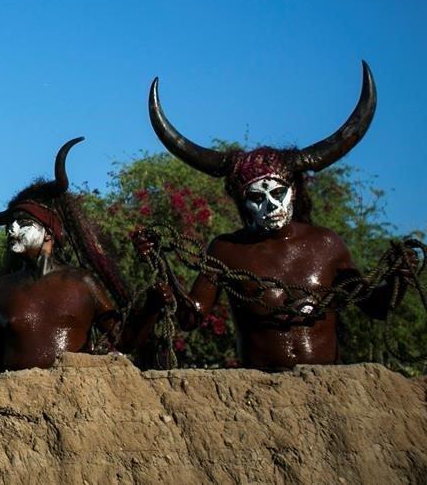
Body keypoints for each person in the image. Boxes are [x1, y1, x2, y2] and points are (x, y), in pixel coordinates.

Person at [141, 62, 411, 369]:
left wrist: (399, 277)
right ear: (244, 204)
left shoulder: (327, 245)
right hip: (260, 395)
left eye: (277, 193)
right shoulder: (226, 250)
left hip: (331, 392)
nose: (270, 205)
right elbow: (191, 317)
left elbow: (376, 307)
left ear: (294, 191)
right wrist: (162, 272)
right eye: (256, 197)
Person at [0, 138, 164, 375]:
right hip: (13, 400)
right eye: (10, 224)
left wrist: (153, 306)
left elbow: (124, 340)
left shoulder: (82, 283)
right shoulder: (2, 289)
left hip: (73, 399)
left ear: (49, 232)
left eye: (23, 223)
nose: (12, 230)